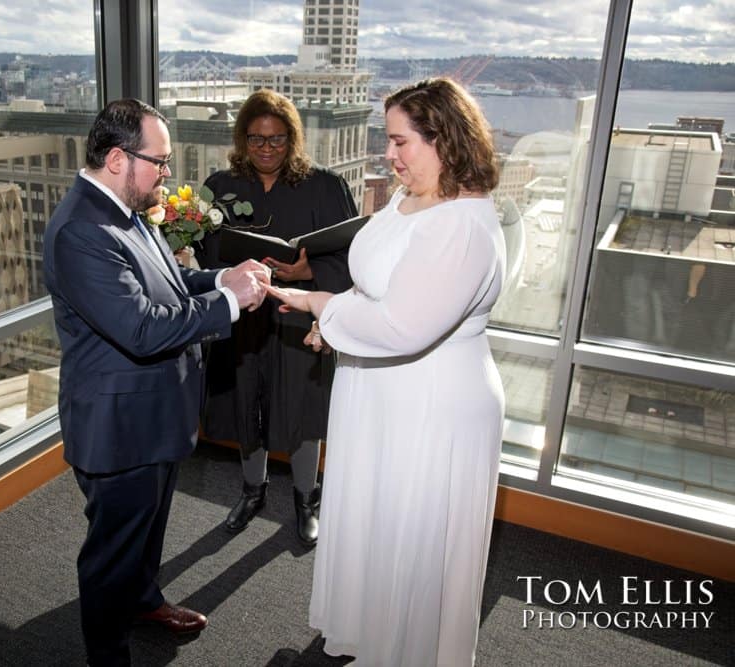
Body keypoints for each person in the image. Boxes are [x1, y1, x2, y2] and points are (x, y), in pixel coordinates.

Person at [266, 77, 506, 665]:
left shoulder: (462, 224)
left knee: (411, 533)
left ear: (445, 140)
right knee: (376, 520)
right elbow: (380, 287)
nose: (389, 155)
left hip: (431, 399)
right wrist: (342, 321)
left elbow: (404, 326)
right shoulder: (406, 199)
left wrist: (321, 307)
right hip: (379, 386)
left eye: (402, 143)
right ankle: (369, 634)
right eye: (387, 140)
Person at [42, 98, 270, 667]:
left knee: (147, 533)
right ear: (118, 158)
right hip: (119, 432)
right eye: (160, 161)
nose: (168, 174)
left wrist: (221, 277)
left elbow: (167, 283)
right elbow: (142, 328)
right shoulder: (81, 230)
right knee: (110, 557)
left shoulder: (124, 211)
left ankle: (143, 601)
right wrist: (230, 303)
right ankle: (109, 657)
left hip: (154, 418)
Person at [198, 89, 357, 546]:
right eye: (256, 139)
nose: (267, 149)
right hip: (243, 320)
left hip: (298, 318)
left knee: (302, 410)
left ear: (293, 139)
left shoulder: (325, 186)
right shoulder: (220, 187)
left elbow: (351, 258)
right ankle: (253, 491)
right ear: (242, 139)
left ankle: (307, 499)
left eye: (278, 140)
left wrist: (309, 270)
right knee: (248, 405)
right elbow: (211, 257)